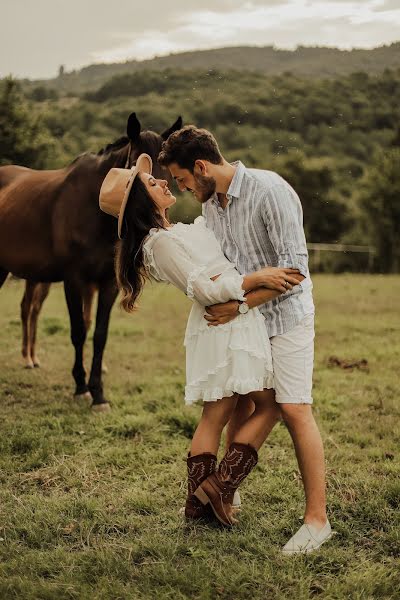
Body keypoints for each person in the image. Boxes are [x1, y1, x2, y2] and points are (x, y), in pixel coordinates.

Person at [99, 153, 301, 528]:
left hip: (233, 322)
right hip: (220, 324)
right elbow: (203, 290)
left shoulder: (173, 232)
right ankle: (216, 490)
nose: (162, 182)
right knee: (253, 407)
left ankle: (204, 502)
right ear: (141, 203)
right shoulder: (158, 244)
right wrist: (255, 279)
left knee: (242, 408)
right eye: (152, 184)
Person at [157, 126, 332, 554]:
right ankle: (227, 491)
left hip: (286, 316)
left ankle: (317, 520)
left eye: (182, 180)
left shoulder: (269, 191)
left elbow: (294, 271)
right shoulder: (212, 205)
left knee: (293, 407)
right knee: (243, 399)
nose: (182, 189)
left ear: (201, 167)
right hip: (247, 321)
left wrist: (240, 305)